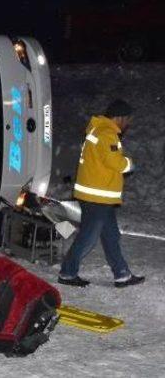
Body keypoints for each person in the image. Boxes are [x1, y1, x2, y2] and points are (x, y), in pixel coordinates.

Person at [58, 99, 144, 288]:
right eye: (127, 119)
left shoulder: (99, 131)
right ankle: (67, 273)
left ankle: (122, 274)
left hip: (98, 195)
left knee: (111, 235)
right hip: (97, 196)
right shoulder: (107, 133)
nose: (128, 123)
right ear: (119, 117)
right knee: (87, 238)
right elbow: (115, 162)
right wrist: (129, 162)